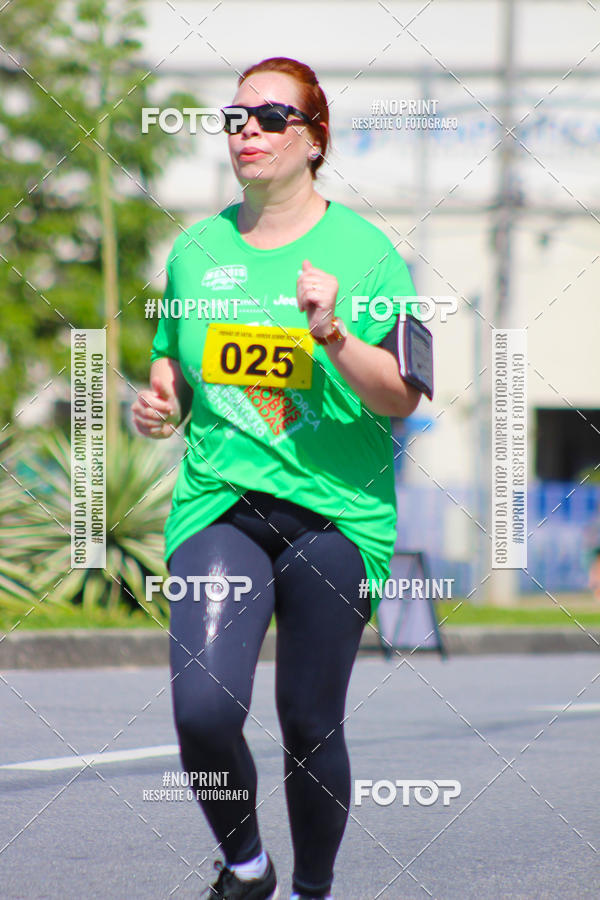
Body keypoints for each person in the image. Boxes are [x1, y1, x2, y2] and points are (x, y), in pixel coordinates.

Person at [132, 56, 424, 900]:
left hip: (337, 520)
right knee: (203, 712)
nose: (247, 132)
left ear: (314, 137)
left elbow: (401, 397)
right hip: (221, 505)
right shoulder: (196, 250)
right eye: (235, 118)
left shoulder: (366, 256)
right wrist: (162, 402)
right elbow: (172, 370)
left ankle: (313, 889)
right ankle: (248, 865)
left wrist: (332, 333)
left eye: (269, 117)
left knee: (307, 721)